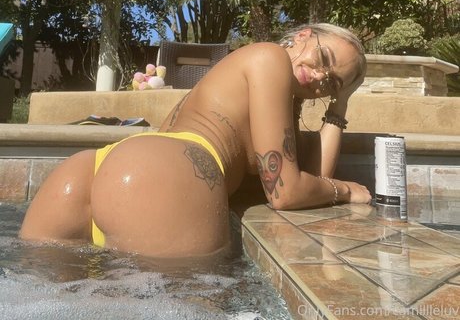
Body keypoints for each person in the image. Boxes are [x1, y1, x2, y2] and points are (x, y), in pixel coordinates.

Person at [20, 23, 372, 258]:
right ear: (304, 35)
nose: (321, 76)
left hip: (93, 168)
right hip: (169, 179)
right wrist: (345, 190)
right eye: (324, 59)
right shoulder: (270, 57)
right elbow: (287, 192)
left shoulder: (248, 80)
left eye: (333, 83)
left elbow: (313, 176)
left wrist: (340, 104)